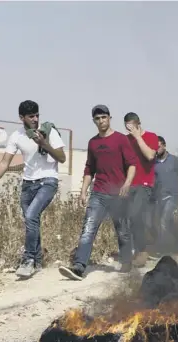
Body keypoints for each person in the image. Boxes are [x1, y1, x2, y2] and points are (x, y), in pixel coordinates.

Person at [58, 105, 137, 281]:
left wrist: (127, 184)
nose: (101, 121)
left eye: (103, 117)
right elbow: (89, 169)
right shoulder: (93, 143)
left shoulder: (121, 140)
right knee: (88, 229)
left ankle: (126, 261)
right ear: (94, 121)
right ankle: (79, 267)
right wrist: (83, 191)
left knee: (122, 230)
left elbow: (132, 164)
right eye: (97, 118)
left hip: (119, 195)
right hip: (98, 193)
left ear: (110, 118)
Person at [0, 100, 66, 278]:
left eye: (37, 115)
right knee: (32, 221)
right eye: (31, 116)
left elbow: (62, 158)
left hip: (48, 181)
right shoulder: (16, 136)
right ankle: (38, 261)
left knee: (31, 216)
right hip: (28, 184)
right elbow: (4, 163)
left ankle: (28, 260)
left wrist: (44, 143)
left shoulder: (49, 131)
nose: (35, 119)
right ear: (21, 117)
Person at [123, 112, 159, 267]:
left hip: (144, 184)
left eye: (132, 126)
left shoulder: (151, 136)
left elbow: (150, 156)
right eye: (127, 127)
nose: (130, 130)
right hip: (128, 184)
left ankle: (142, 250)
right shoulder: (125, 140)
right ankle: (132, 251)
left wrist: (138, 137)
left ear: (139, 123)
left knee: (136, 215)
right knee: (128, 219)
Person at [152, 136, 178, 253]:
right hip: (159, 197)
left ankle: (162, 249)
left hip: (173, 196)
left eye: (158, 147)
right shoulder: (153, 163)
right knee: (168, 223)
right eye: (154, 147)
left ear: (164, 146)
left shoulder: (175, 161)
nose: (156, 149)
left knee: (163, 221)